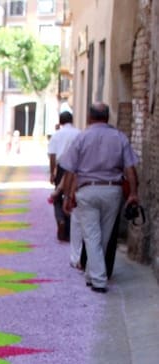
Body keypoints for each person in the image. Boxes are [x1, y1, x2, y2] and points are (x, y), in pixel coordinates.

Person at [61, 102, 139, 292]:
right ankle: (91, 274)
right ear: (107, 118)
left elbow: (70, 170)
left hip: (87, 190)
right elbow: (130, 168)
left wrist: (68, 195)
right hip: (113, 190)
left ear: (89, 117)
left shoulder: (82, 137)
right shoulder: (120, 137)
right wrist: (134, 193)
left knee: (92, 236)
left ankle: (98, 280)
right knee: (103, 235)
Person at [47, 110, 80, 245]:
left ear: (60, 122)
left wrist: (52, 172)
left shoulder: (57, 135)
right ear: (72, 120)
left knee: (58, 197)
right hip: (76, 168)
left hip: (61, 167)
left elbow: (52, 156)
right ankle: (69, 229)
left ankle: (60, 219)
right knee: (71, 196)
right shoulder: (79, 133)